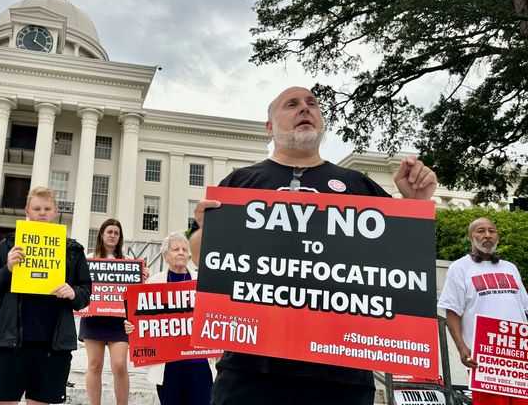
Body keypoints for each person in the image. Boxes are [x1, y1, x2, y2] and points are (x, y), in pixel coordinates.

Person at [190, 86, 438, 405]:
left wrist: (413, 205)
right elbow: (201, 259)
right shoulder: (239, 183)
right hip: (250, 375)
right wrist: (207, 231)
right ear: (269, 127)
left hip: (341, 379)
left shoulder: (359, 186)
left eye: (312, 104)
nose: (305, 109)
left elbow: (399, 270)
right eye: (291, 104)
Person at [0, 186, 92, 405]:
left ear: (56, 211)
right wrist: (7, 269)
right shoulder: (8, 245)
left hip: (53, 344)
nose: (42, 213)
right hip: (10, 342)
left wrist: (73, 292)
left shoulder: (73, 250)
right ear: (26, 211)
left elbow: (86, 292)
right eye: (37, 208)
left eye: (47, 208)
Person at [438, 217, 528, 405]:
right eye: (480, 231)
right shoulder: (459, 268)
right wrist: (462, 348)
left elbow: (523, 309)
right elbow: (452, 312)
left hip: (518, 358)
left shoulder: (510, 268)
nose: (487, 235)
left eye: (491, 231)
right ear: (470, 236)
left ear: (497, 236)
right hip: (484, 357)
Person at [124, 231, 214, 405]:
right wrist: (131, 326)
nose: (181, 252)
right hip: (168, 365)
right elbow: (142, 320)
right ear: (165, 255)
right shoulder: (153, 284)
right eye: (175, 249)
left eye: (184, 249)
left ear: (189, 254)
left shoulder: (203, 282)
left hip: (199, 362)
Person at [80, 219, 131, 405]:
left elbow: (135, 292)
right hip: (93, 317)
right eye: (109, 231)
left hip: (119, 320)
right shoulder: (87, 258)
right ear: (101, 234)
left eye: (116, 233)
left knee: (120, 365)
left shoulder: (128, 263)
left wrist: (141, 278)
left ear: (120, 237)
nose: (112, 235)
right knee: (94, 365)